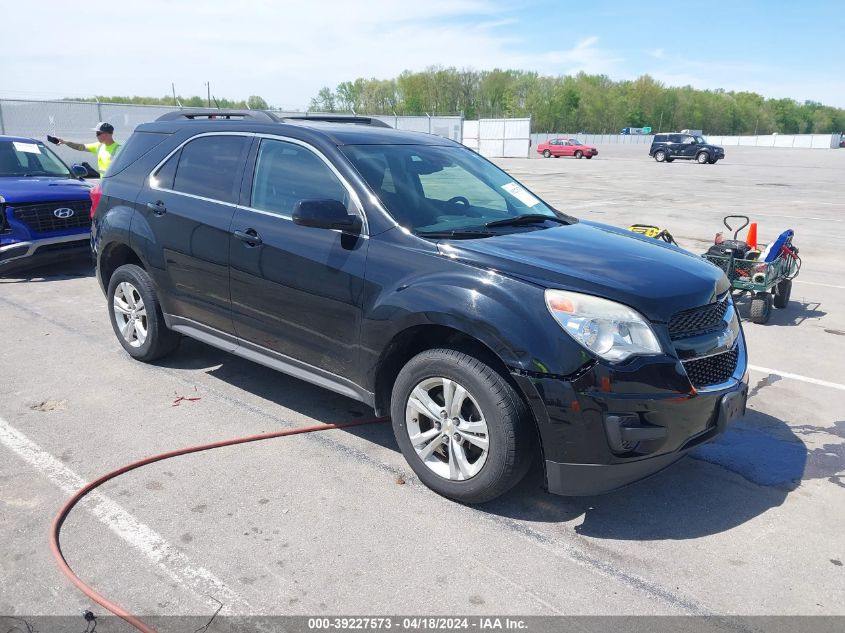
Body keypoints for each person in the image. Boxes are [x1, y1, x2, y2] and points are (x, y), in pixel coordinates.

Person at [56, 122, 121, 175]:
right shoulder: (99, 146)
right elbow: (80, 147)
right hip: (103, 183)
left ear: (107, 134)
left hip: (114, 186)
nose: (96, 135)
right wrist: (65, 142)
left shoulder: (119, 149)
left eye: (98, 133)